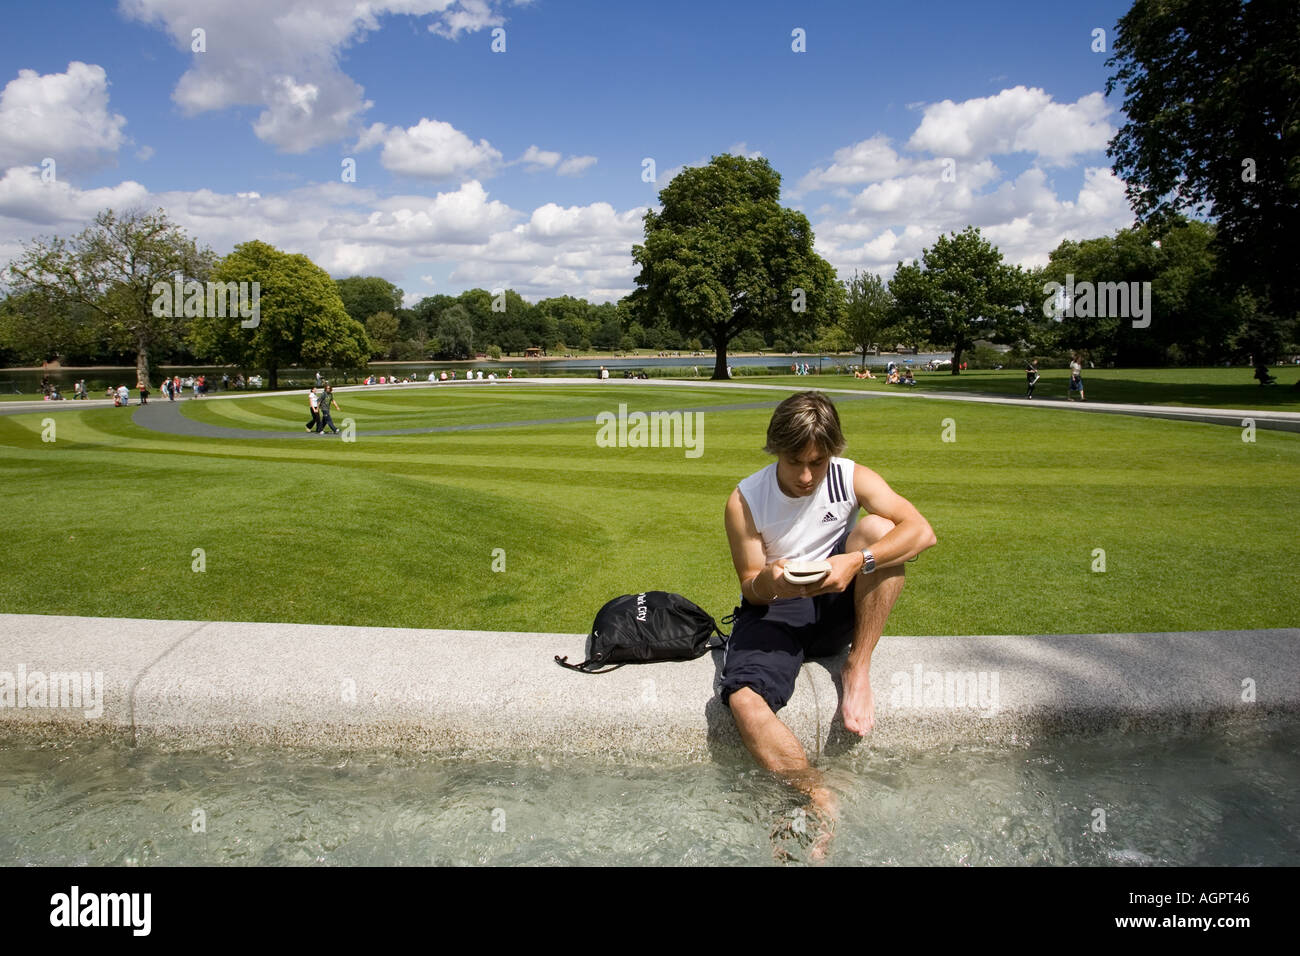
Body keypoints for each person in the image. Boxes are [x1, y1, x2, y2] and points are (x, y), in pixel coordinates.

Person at [721, 391, 936, 849]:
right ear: (775, 449)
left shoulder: (850, 475)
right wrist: (773, 582)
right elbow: (748, 585)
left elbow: (922, 532)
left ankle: (858, 665)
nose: (805, 476)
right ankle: (815, 791)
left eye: (817, 462)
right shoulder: (745, 499)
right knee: (742, 698)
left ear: (832, 453)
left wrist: (856, 561)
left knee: (881, 530)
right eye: (794, 460)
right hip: (778, 605)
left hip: (838, 595)